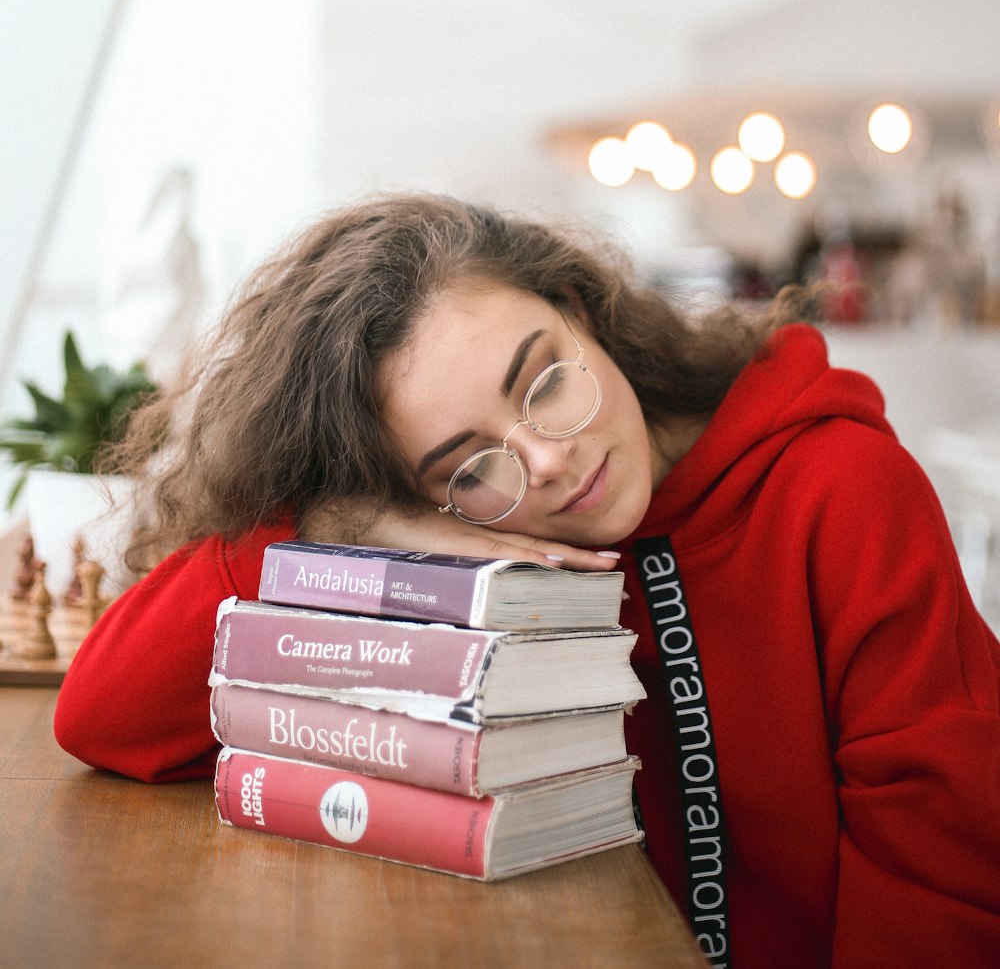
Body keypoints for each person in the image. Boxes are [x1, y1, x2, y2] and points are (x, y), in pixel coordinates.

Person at [54, 193, 1000, 969]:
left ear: (581, 311)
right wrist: (336, 519)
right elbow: (103, 715)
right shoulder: (449, 560)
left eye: (543, 381)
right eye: (469, 465)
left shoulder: (838, 487)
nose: (545, 463)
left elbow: (945, 861)